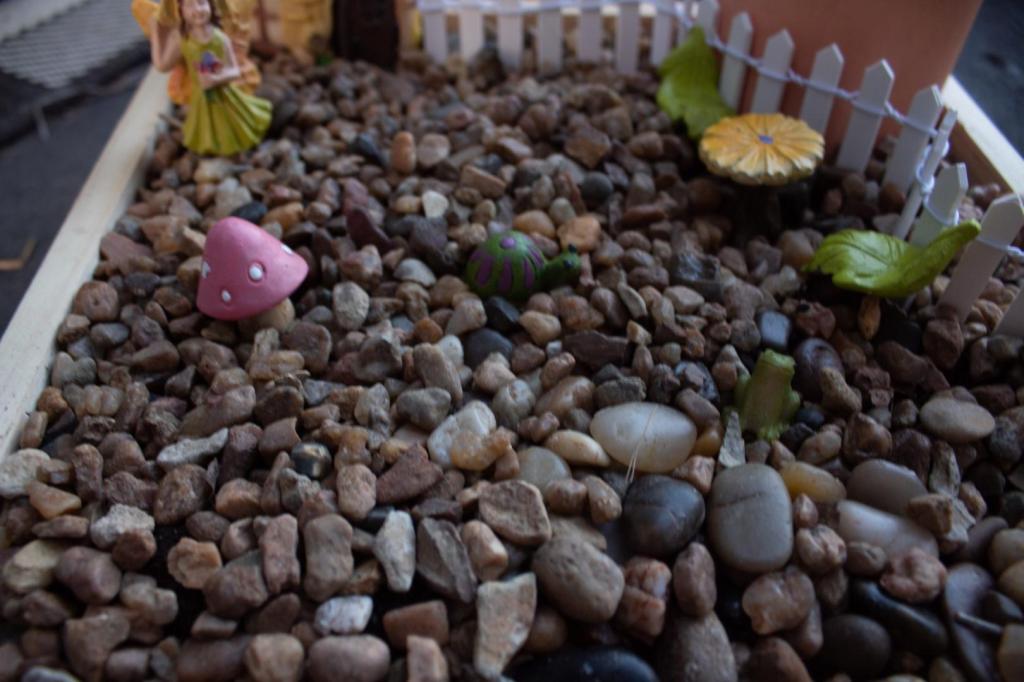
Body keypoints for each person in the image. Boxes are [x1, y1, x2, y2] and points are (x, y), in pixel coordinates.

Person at [149, 0, 272, 156]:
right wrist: (156, 32)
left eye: (201, 3)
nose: (197, 10)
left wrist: (217, 79)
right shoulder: (182, 40)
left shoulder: (220, 38)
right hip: (202, 100)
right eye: (190, 5)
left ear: (211, 6)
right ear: (181, 11)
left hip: (225, 96)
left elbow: (235, 71)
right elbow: (161, 65)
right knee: (207, 129)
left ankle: (233, 153)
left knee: (234, 126)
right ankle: (215, 150)